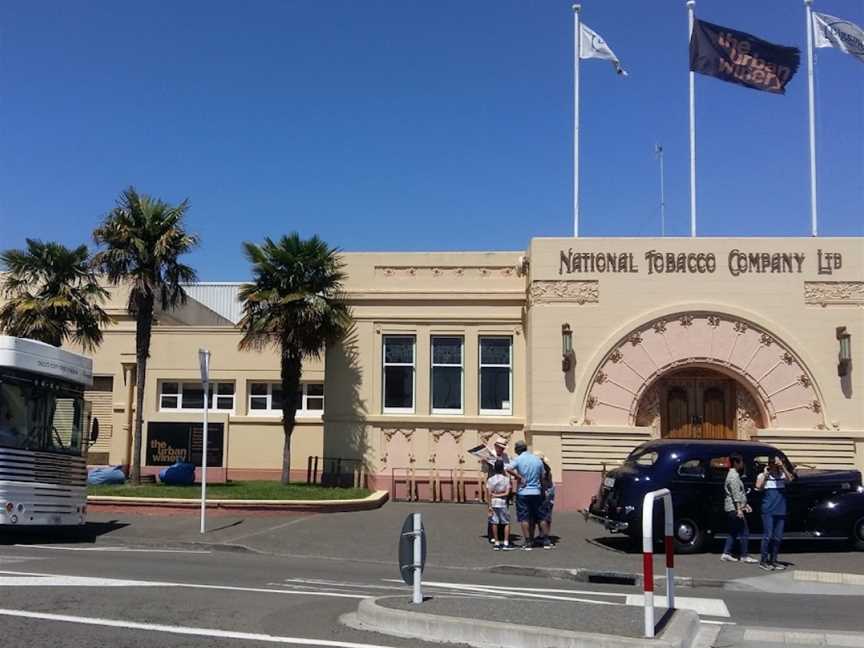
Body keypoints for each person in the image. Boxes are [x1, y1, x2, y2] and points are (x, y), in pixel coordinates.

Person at [506, 440, 551, 550]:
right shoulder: (537, 460)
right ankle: (546, 540)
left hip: (523, 492)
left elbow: (508, 468)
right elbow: (542, 476)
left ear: (517, 450)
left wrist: (519, 477)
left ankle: (528, 541)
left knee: (524, 517)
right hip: (536, 491)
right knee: (541, 516)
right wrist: (542, 490)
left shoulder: (518, 459)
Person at [756, 455, 795, 571]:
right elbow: (758, 486)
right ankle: (763, 561)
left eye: (776, 463)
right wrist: (766, 475)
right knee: (767, 536)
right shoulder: (763, 475)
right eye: (773, 463)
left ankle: (773, 560)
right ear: (769, 464)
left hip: (780, 509)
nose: (775, 465)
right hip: (768, 510)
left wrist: (783, 466)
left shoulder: (782, 474)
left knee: (777, 537)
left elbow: (790, 479)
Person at [721, 453, 758, 563]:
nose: (743, 464)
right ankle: (744, 555)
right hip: (734, 508)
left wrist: (745, 505)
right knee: (744, 531)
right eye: (741, 461)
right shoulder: (734, 477)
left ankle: (726, 553)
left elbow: (740, 494)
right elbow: (736, 494)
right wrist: (739, 509)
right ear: (736, 463)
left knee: (733, 531)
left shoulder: (733, 475)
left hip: (733, 507)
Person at [483, 437, 511, 543]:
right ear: (496, 446)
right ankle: (492, 535)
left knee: (503, 510)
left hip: (503, 484)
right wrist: (485, 463)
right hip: (492, 484)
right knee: (492, 510)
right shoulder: (490, 455)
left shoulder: (505, 456)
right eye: (500, 448)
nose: (502, 450)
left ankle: (501, 534)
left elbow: (508, 469)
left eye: (503, 448)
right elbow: (484, 471)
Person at [486, 459, 512, 551]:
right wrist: (499, 494)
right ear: (502, 468)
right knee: (506, 522)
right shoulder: (506, 479)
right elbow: (507, 493)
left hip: (493, 502)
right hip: (503, 502)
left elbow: (489, 493)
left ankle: (496, 542)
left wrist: (489, 506)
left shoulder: (490, 479)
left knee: (494, 522)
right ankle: (506, 542)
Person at [535, 450, 556, 545]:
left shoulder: (541, 470)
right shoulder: (548, 469)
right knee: (547, 516)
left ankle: (544, 536)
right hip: (550, 494)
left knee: (541, 516)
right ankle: (543, 534)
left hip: (544, 494)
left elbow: (542, 484)